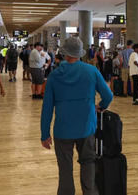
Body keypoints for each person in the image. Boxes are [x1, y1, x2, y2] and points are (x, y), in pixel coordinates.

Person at [41, 37, 113, 195]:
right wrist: (100, 106)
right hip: (86, 127)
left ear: (64, 52)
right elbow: (108, 95)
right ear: (80, 53)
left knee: (65, 168)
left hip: (62, 130)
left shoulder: (54, 76)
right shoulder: (91, 71)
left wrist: (44, 134)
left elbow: (47, 107)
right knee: (88, 163)